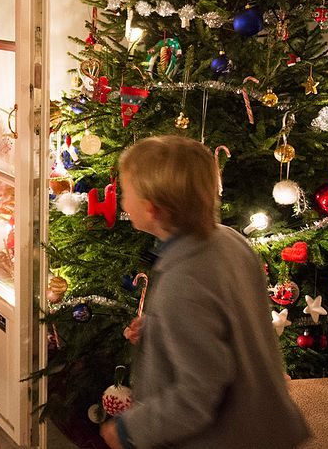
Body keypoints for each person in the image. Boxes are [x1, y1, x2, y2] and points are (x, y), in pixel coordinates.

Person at [100, 136, 309, 449]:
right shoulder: (228, 241)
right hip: (265, 421)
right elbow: (226, 320)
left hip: (227, 437)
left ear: (152, 209)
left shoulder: (183, 280)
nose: (120, 197)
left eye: (125, 191)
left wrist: (129, 430)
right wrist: (160, 327)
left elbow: (198, 394)